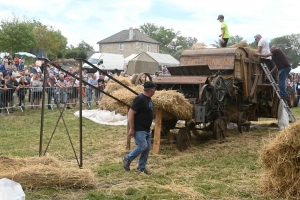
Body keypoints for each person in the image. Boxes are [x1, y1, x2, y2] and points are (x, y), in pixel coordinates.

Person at [122, 82, 157, 175]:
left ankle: (141, 168)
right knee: (143, 146)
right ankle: (127, 158)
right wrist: (132, 128)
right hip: (139, 128)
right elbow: (131, 113)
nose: (155, 91)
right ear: (151, 90)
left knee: (147, 148)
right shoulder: (140, 99)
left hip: (146, 129)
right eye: (154, 89)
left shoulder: (148, 99)